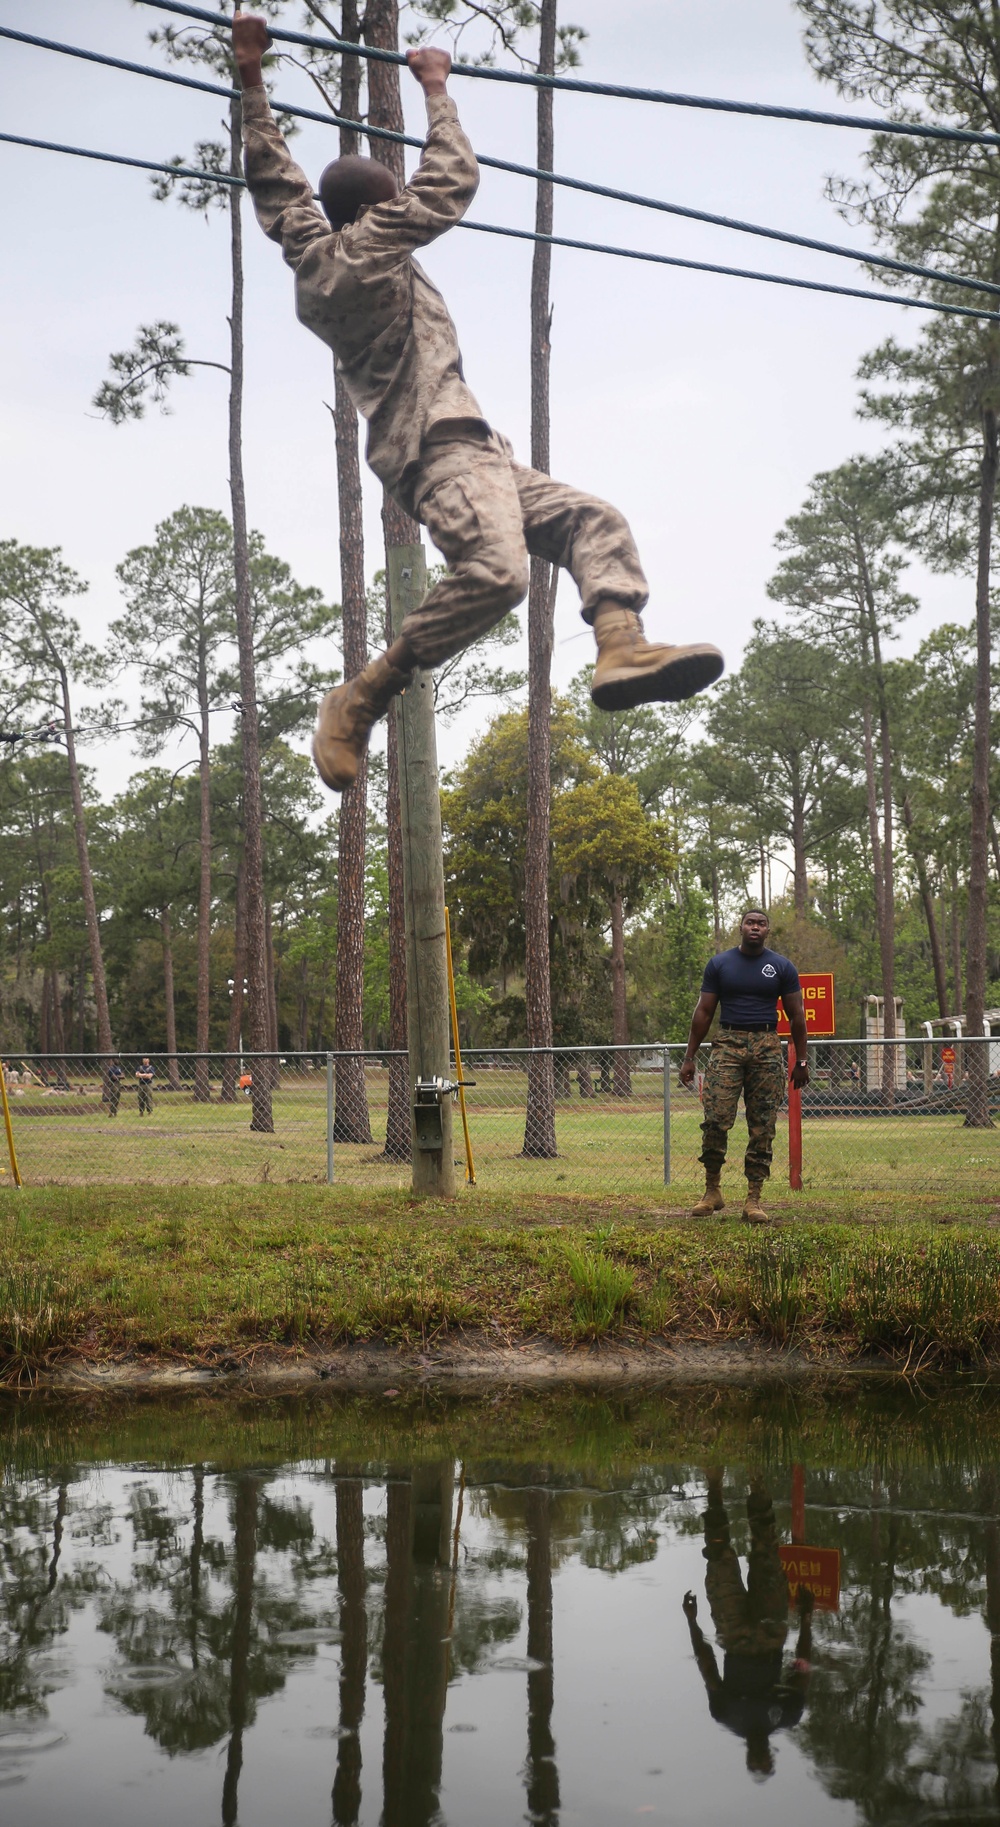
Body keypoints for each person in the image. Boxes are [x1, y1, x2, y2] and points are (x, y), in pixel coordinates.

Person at [232, 15, 725, 793]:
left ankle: (621, 641)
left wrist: (251, 75)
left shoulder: (315, 247)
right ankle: (361, 698)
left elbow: (275, 183)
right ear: (376, 214)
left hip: (477, 452)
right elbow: (451, 180)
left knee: (594, 519)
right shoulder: (367, 248)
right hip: (440, 452)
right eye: (393, 205)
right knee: (498, 572)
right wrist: (436, 88)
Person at [679, 909, 809, 1222]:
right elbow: (704, 1011)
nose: (755, 927)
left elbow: (797, 1016)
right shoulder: (720, 964)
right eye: (750, 922)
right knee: (715, 1118)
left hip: (766, 1046)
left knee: (763, 1123)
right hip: (727, 1044)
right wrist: (689, 1056)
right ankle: (712, 1190)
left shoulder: (781, 966)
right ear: (741, 927)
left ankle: (754, 1199)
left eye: (761, 923)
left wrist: (802, 1060)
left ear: (767, 930)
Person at [683, 1469, 812, 1780]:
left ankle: (714, 1484)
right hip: (771, 1635)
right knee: (766, 1552)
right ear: (771, 1756)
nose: (759, 1755)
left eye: (755, 1762)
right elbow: (802, 1666)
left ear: (746, 1758)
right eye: (765, 1761)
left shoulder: (726, 1715)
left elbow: (707, 1666)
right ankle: (757, 1479)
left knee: (719, 1559)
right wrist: (806, 1620)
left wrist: (692, 1622)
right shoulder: (787, 1715)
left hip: (734, 1635)